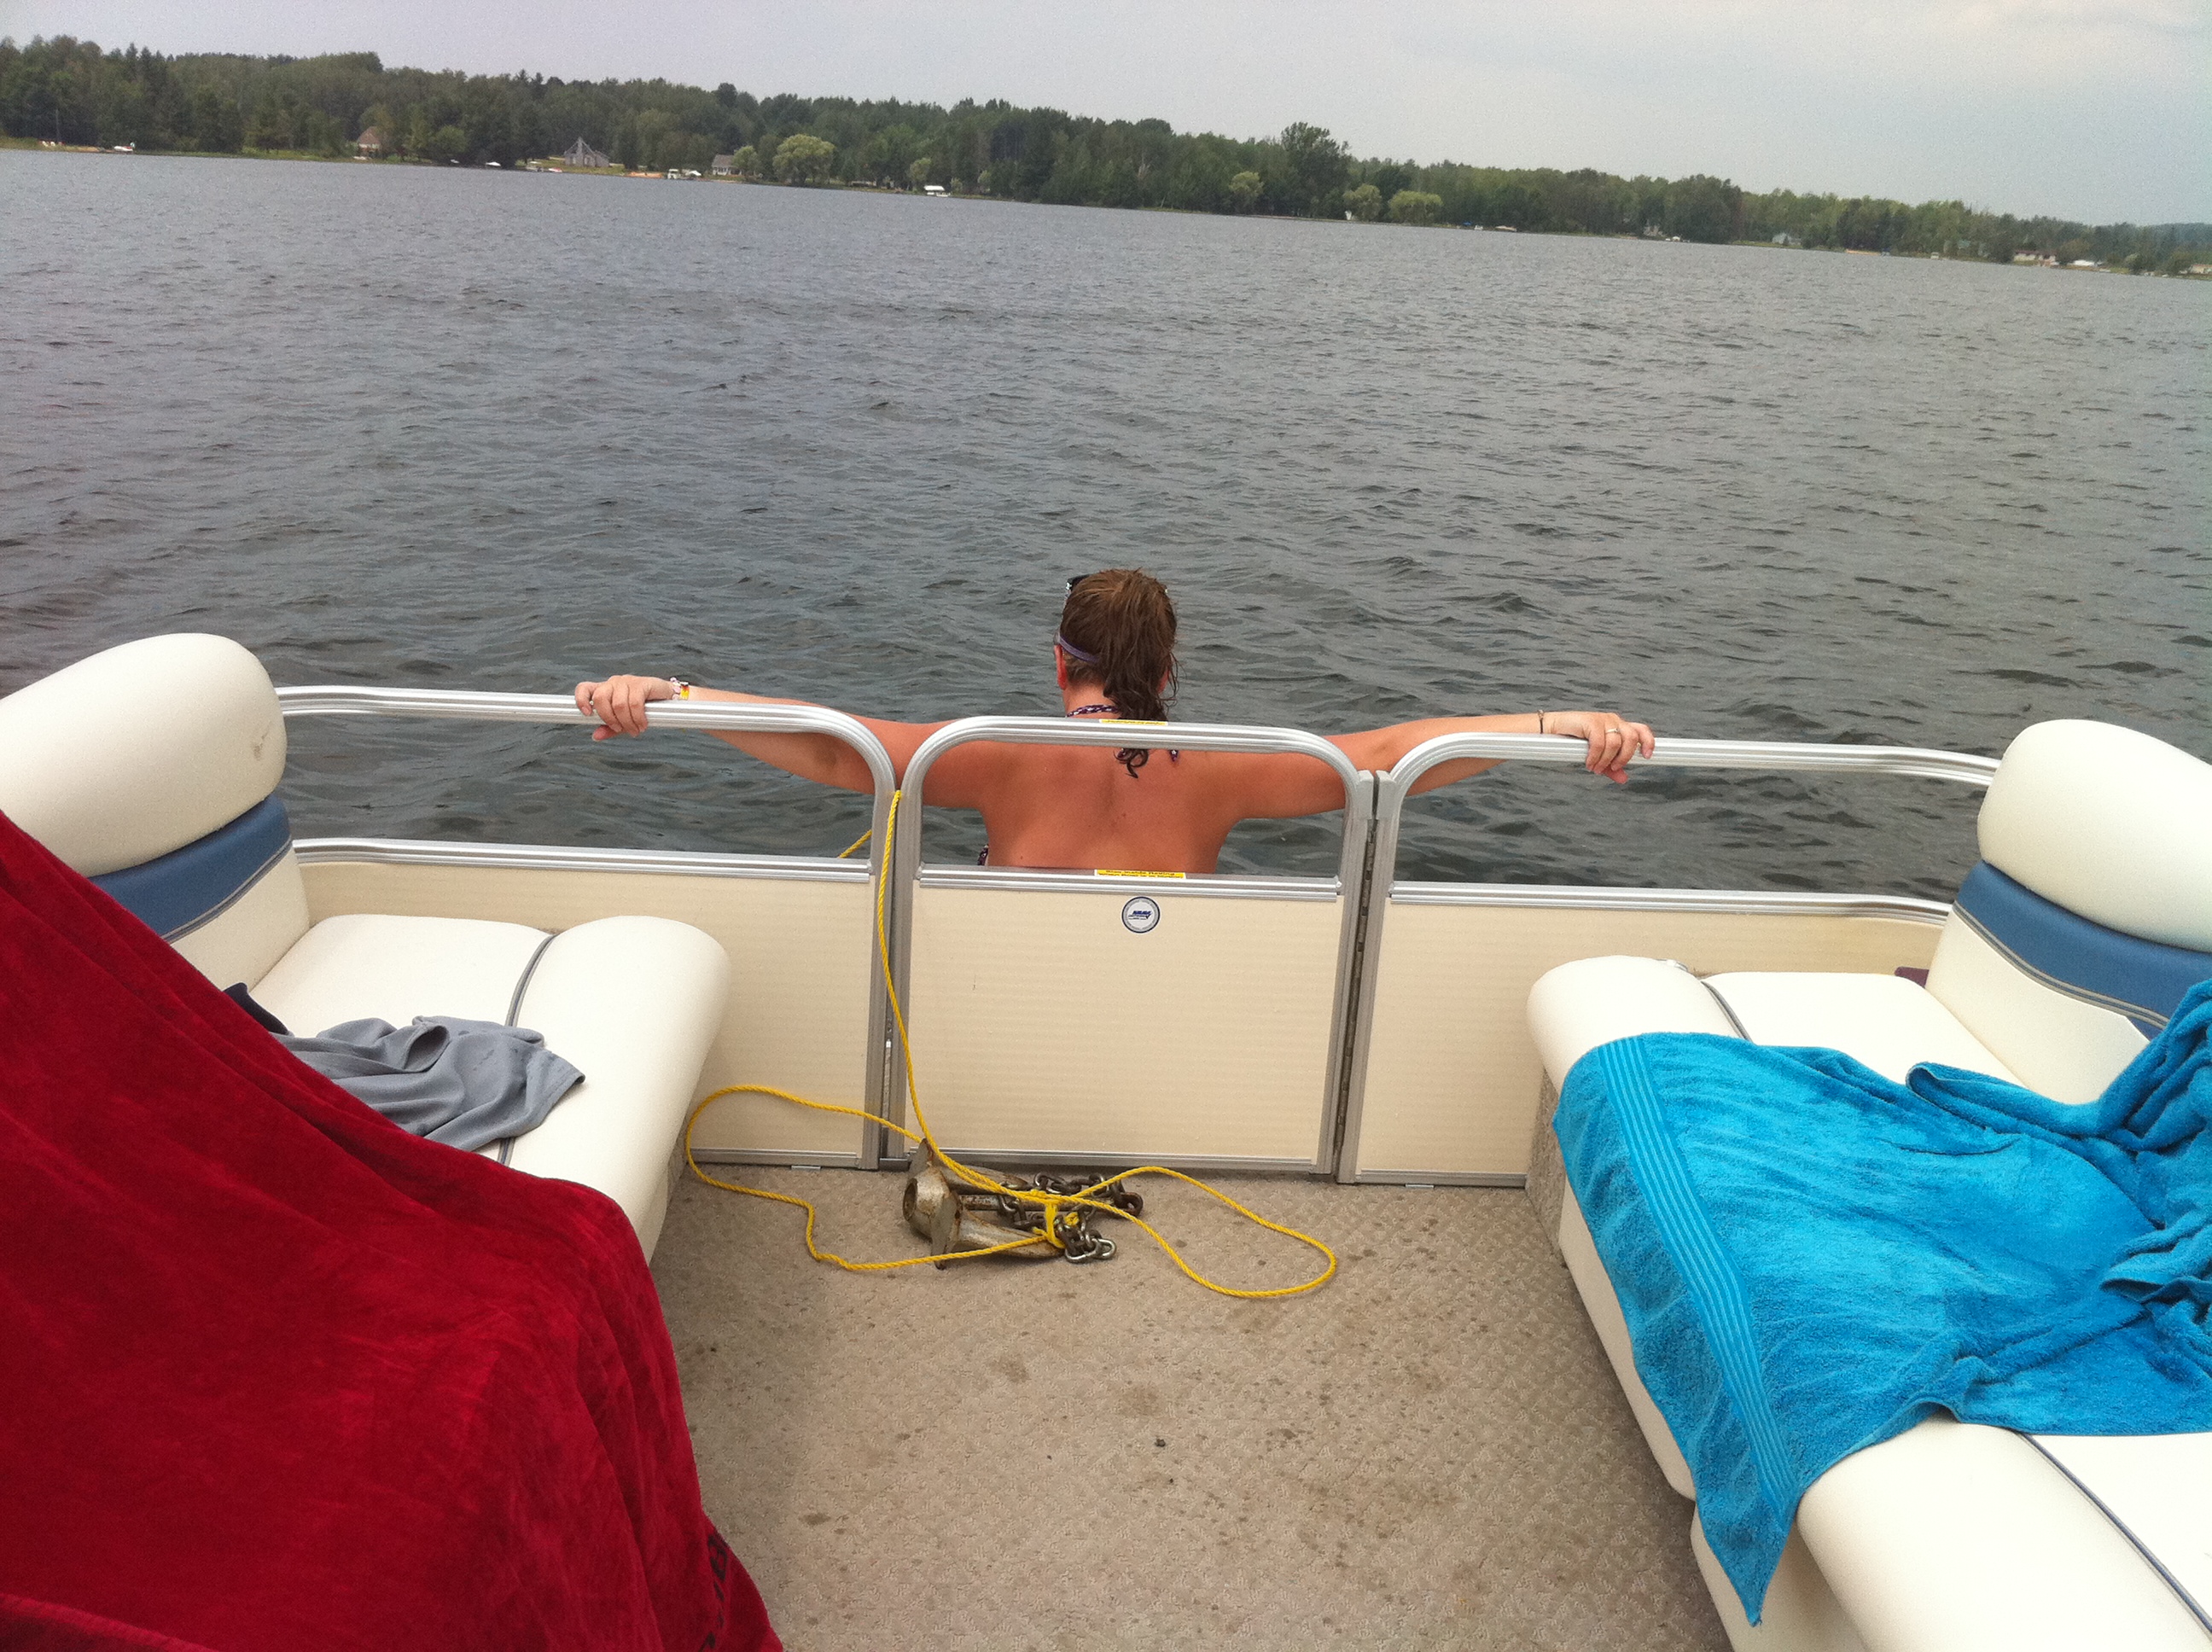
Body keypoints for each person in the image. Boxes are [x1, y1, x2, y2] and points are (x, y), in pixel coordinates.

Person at [575, 568, 1655, 873]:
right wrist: (1559, 721)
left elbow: (828, 741)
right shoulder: (1231, 768)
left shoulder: (990, 756)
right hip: (1158, 1020)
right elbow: (1395, 753)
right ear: (1169, 670)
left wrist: (674, 695)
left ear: (1060, 660)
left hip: (1014, 1012)